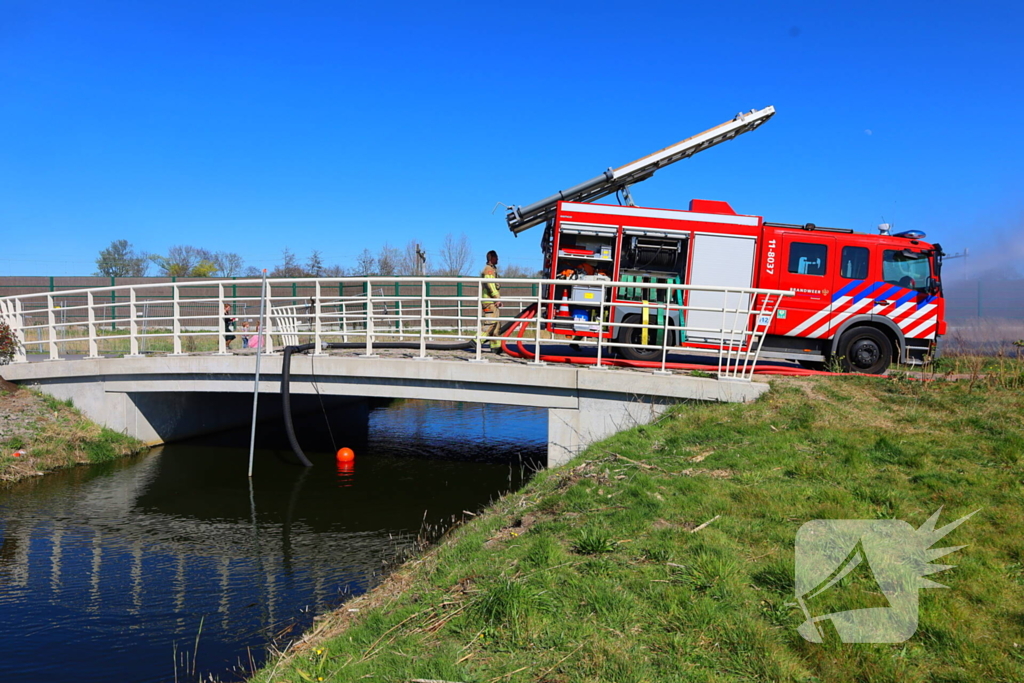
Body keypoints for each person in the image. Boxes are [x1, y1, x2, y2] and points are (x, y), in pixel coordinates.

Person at [479, 250, 502, 353]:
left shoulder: (492, 269)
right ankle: (477, 341)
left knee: (496, 325)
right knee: (490, 323)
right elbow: (490, 285)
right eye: (496, 257)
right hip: (489, 301)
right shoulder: (488, 270)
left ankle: (496, 347)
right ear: (491, 258)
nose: (497, 259)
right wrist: (496, 298)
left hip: (492, 300)